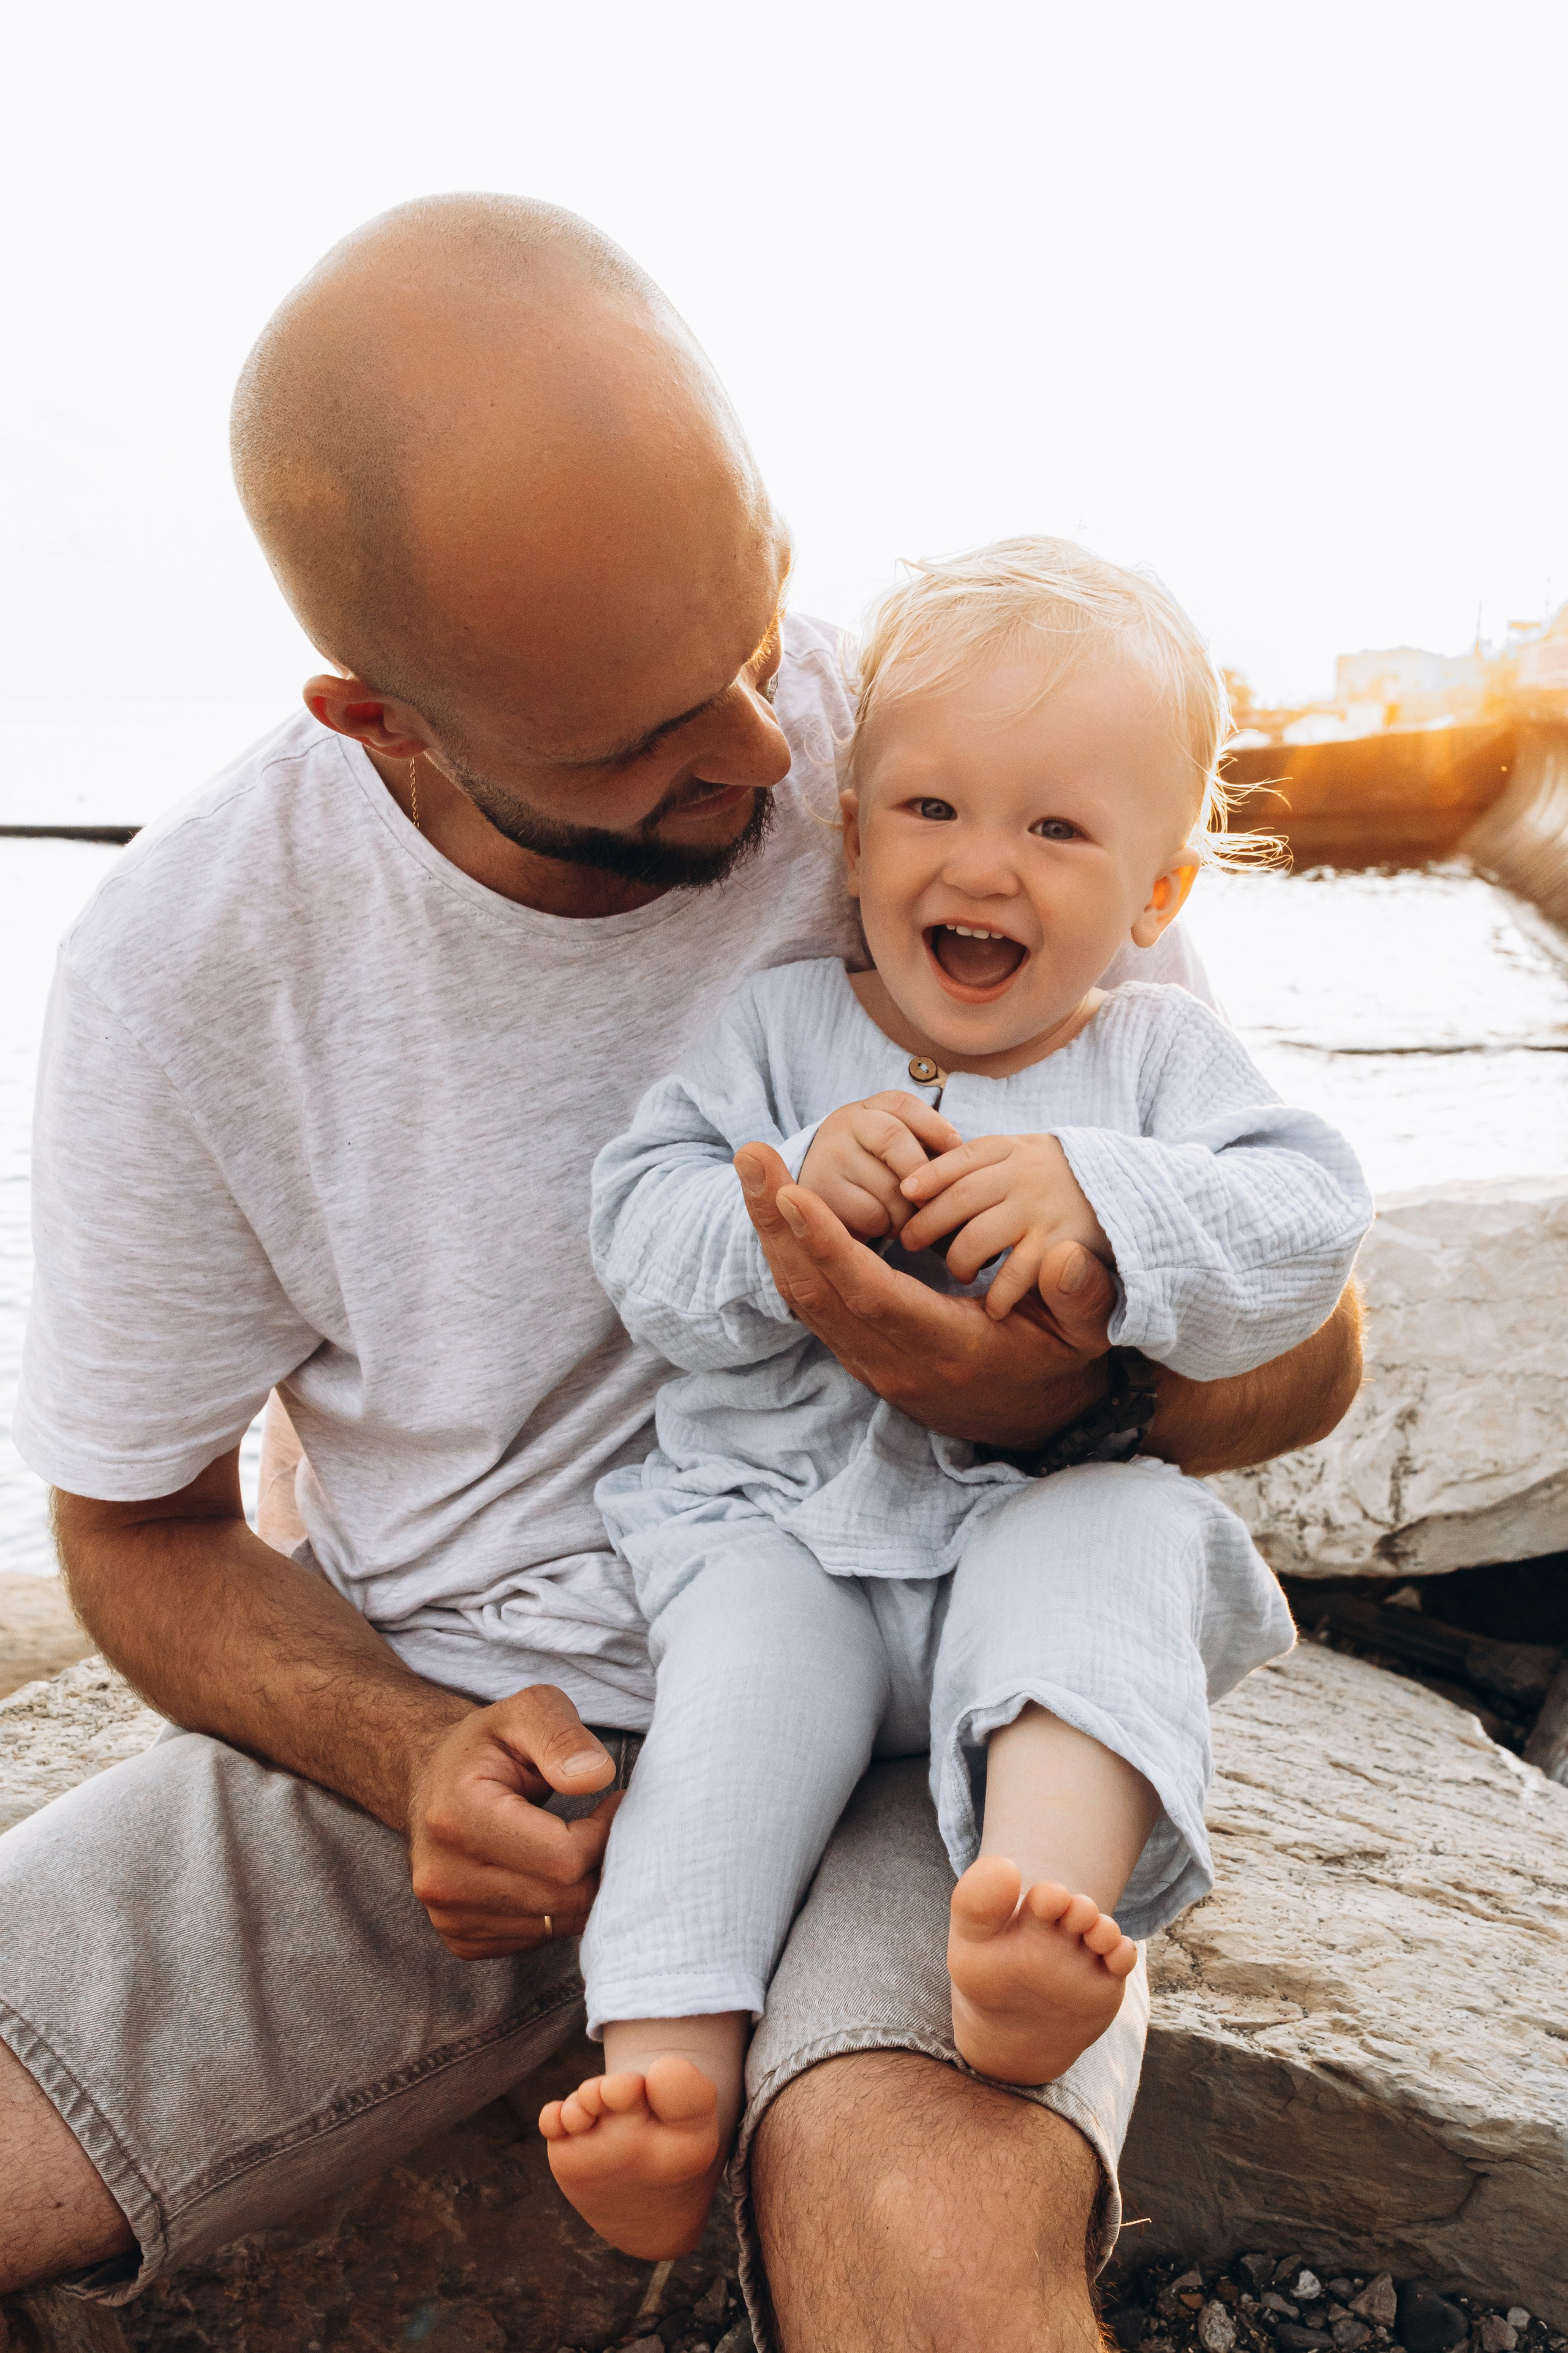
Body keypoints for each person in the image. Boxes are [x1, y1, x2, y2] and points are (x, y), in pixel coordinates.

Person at [0, 198, 1362, 2353]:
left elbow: (1306, 1332)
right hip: (488, 1714)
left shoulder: (940, 742)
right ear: (379, 720)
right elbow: (133, 1530)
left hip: (969, 1694)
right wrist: (407, 1753)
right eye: (637, 736)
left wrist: (1061, 1385)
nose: (763, 748)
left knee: (925, 2248)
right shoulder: (187, 974)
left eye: (758, 618)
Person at [540, 538, 1371, 2258]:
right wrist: (782, 1201)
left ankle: (1035, 1924)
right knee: (739, 1694)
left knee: (1119, 1539)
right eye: (930, 808)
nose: (981, 863)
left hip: (1025, 1518)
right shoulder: (777, 1037)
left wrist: (1111, 1198)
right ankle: (666, 2063)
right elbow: (638, 1240)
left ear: (1158, 894)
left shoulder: (1153, 1063)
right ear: (853, 838)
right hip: (784, 1535)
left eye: (1057, 829)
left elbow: (1310, 1222)